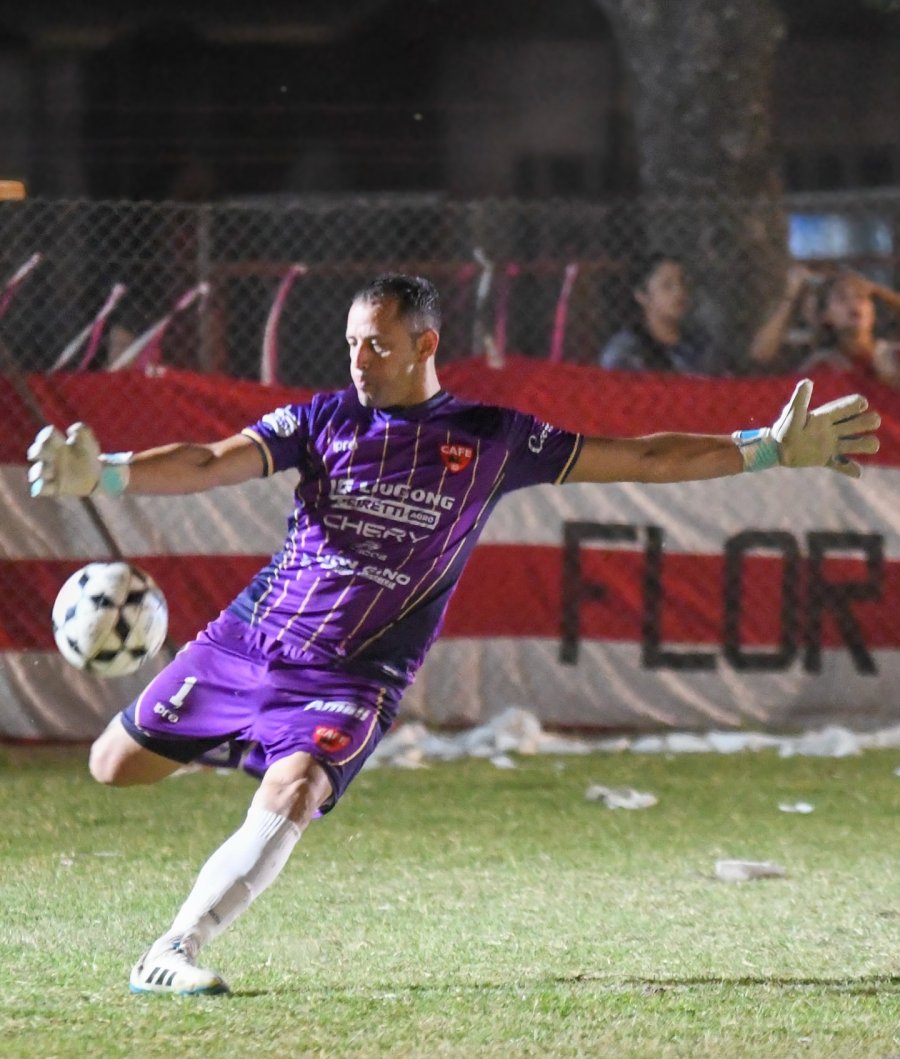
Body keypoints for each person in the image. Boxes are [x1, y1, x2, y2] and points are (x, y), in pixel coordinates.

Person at [27, 273, 881, 997]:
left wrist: (764, 449)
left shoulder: (491, 439)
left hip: (354, 675)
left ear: (426, 344)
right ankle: (251, 745)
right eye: (353, 343)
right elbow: (211, 460)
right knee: (113, 766)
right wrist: (106, 473)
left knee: (296, 790)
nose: (360, 360)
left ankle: (174, 946)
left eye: (378, 344)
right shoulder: (324, 420)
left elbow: (645, 456)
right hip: (247, 642)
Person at [599, 253, 709, 374]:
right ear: (642, 295)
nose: (679, 292)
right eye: (667, 286)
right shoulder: (626, 350)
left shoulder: (700, 344)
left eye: (683, 282)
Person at [799, 270, 900, 388]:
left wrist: (878, 291)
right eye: (842, 298)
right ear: (825, 316)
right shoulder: (821, 365)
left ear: (872, 310)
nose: (854, 303)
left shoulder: (893, 356)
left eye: (861, 296)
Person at [749, 263, 826, 372]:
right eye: (810, 293)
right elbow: (760, 353)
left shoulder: (833, 327)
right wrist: (790, 296)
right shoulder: (785, 313)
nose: (814, 301)